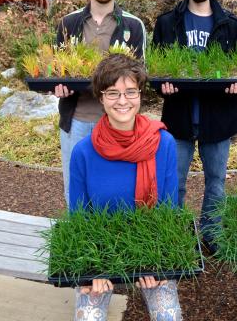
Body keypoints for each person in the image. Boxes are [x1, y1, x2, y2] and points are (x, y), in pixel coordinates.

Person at [69, 54, 182, 321]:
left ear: (140, 94)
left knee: (169, 317)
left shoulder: (162, 143)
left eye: (130, 92)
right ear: (101, 98)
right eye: (113, 93)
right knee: (88, 319)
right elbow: (79, 217)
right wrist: (91, 271)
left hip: (152, 245)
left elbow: (168, 210)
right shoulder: (83, 152)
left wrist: (156, 264)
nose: (122, 101)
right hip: (100, 249)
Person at [152, 0, 237, 250]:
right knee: (175, 182)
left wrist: (236, 88)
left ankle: (212, 233)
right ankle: (176, 234)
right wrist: (162, 86)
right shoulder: (167, 23)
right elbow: (155, 71)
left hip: (217, 117)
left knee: (216, 181)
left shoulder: (230, 24)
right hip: (178, 116)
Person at [55, 0, 146, 205]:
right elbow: (57, 68)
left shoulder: (133, 25)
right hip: (76, 122)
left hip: (118, 123)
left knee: (115, 192)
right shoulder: (68, 23)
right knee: (76, 192)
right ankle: (79, 244)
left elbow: (140, 76)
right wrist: (59, 86)